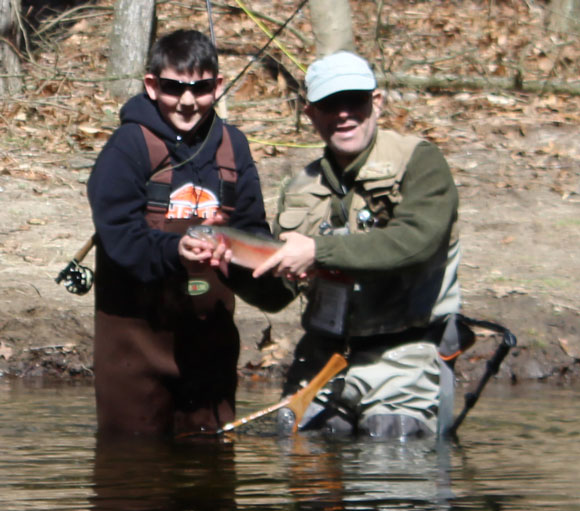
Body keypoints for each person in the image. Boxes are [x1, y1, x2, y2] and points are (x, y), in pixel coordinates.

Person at [251, 50, 463, 438]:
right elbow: (277, 294)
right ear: (310, 113)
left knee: (391, 438)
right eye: (331, 104)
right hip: (323, 357)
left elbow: (416, 243)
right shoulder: (301, 187)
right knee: (295, 440)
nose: (344, 113)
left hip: (405, 353)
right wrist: (226, 264)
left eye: (356, 101)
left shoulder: (419, 160)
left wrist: (318, 251)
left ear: (376, 103)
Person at [87, 29, 271, 436]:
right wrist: (177, 251)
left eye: (201, 88)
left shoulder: (233, 146)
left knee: (211, 471)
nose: (188, 101)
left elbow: (253, 229)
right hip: (135, 349)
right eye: (173, 88)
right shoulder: (127, 146)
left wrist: (275, 268)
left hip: (210, 347)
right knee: (133, 476)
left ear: (218, 86)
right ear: (152, 86)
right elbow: (120, 236)